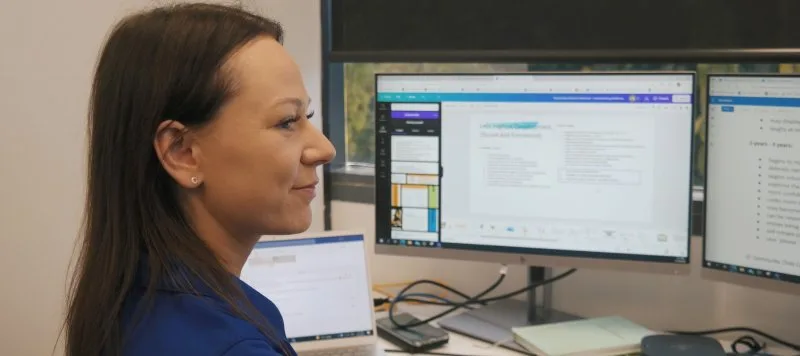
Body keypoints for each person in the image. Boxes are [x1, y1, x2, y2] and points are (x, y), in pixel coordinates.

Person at [63, 3, 335, 356]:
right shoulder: (231, 346)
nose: (324, 149)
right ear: (182, 152)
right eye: (287, 121)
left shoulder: (128, 296)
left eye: (307, 115)